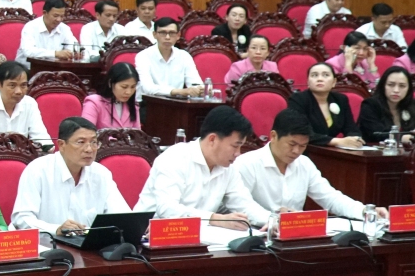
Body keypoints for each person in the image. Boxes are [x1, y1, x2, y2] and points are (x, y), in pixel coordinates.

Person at [234, 109, 388, 221]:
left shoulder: (304, 164)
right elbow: (241, 205)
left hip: (296, 235)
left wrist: (364, 210)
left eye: (303, 146)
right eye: (292, 144)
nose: (296, 151)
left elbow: (330, 198)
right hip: (259, 236)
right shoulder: (247, 164)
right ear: (273, 136)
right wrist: (274, 219)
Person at [135, 106, 271, 226]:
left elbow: (245, 204)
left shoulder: (228, 168)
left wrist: (272, 221)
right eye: (235, 146)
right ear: (212, 139)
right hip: (152, 235)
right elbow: (167, 209)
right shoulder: (175, 158)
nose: (238, 153)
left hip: (200, 236)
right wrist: (214, 219)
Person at [11, 117, 130, 234]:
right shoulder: (38, 170)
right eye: (81, 142)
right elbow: (22, 219)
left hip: (87, 244)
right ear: (61, 144)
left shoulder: (101, 174)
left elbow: (123, 216)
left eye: (94, 142)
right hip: (47, 243)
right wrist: (56, 229)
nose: (89, 149)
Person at [0, 61, 49, 143]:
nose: (19, 91)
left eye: (23, 85)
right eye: (12, 85)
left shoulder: (30, 103)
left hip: (20, 151)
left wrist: (46, 146)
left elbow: (42, 138)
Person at [286, 62, 362, 148]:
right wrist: (336, 141)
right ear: (308, 82)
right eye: (314, 75)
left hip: (332, 151)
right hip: (305, 149)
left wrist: (355, 139)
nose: (320, 79)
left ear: (334, 82)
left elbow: (351, 128)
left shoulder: (340, 99)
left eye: (326, 75)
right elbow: (300, 132)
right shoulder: (298, 99)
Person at [134, 18, 203, 100]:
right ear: (154, 34)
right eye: (163, 33)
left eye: (172, 33)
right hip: (150, 103)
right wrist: (179, 91)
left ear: (178, 35)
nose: (167, 37)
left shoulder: (184, 56)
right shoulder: (143, 56)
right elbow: (148, 88)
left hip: (177, 102)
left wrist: (201, 90)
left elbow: (195, 83)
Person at [16, 0, 78, 65]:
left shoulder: (64, 28)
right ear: (44, 13)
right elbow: (29, 52)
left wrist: (74, 52)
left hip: (54, 68)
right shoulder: (30, 27)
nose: (59, 20)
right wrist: (55, 53)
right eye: (55, 16)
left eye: (62, 16)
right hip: (28, 67)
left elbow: (74, 46)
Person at [359, 67, 415, 144]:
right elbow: (375, 134)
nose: (396, 90)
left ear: (409, 89)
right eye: (391, 85)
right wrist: (401, 138)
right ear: (383, 86)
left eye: (402, 86)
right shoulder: (371, 105)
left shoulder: (412, 105)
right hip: (375, 150)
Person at [81, 63, 142, 129]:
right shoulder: (94, 103)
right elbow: (86, 132)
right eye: (124, 87)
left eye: (133, 87)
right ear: (110, 83)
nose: (129, 92)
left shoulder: (133, 105)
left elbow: (137, 133)